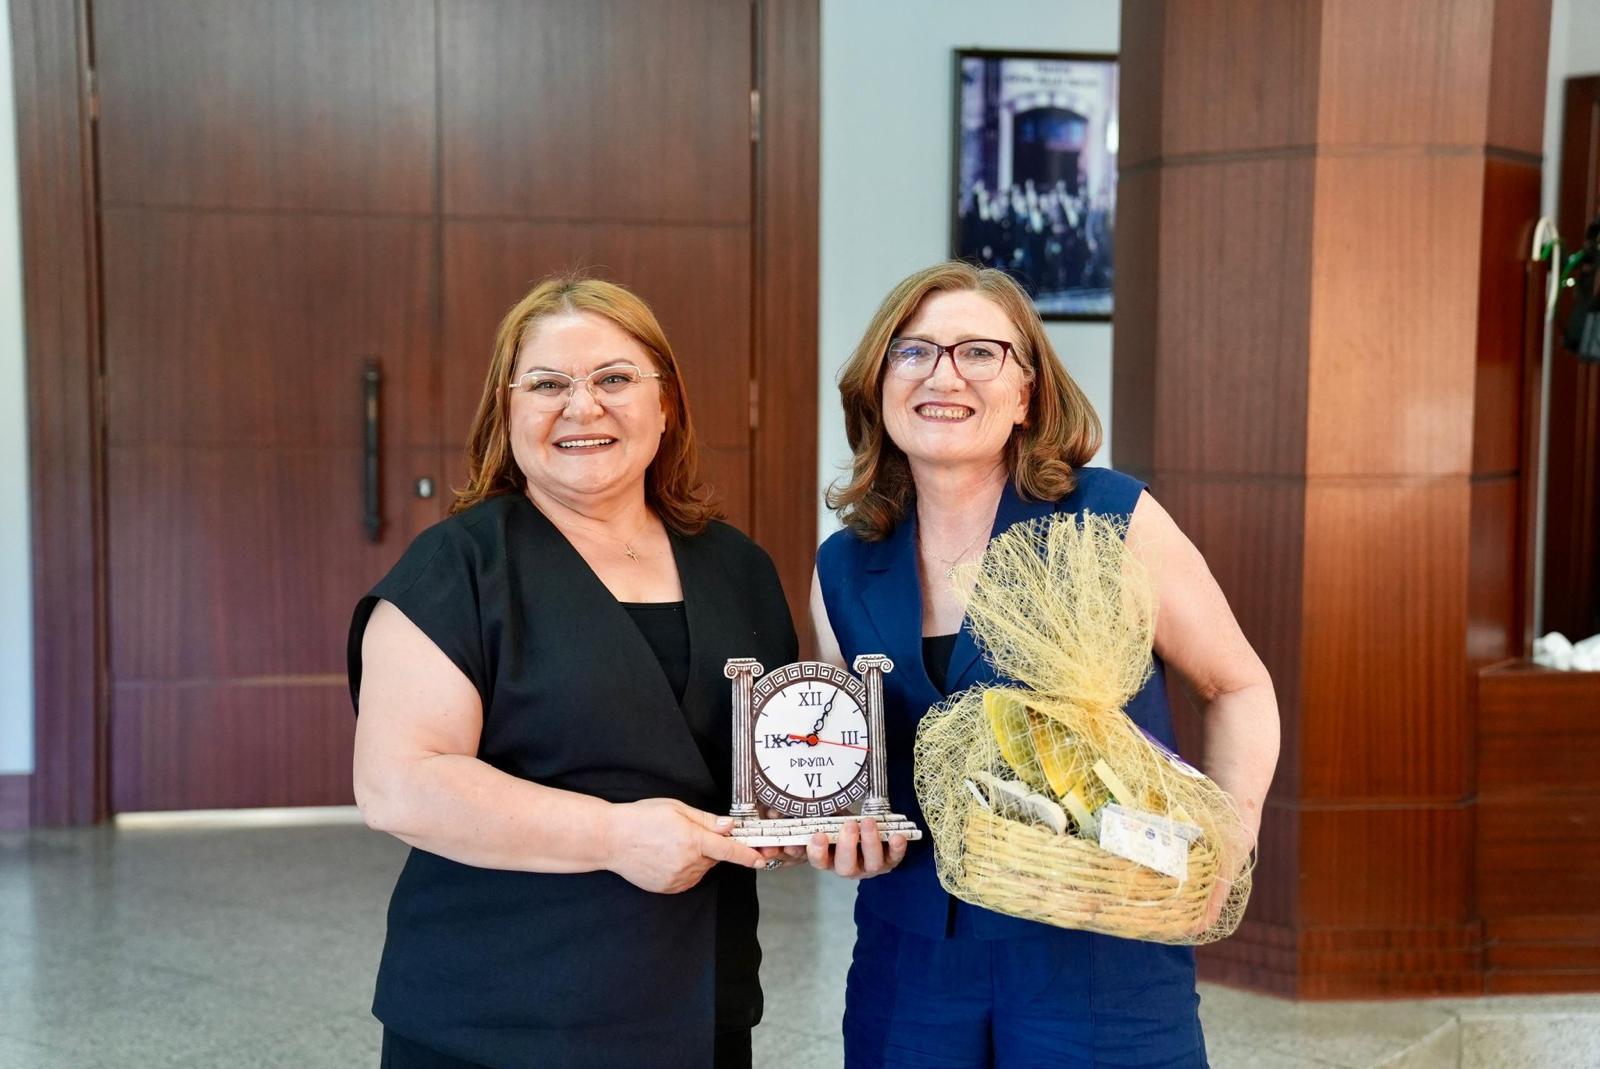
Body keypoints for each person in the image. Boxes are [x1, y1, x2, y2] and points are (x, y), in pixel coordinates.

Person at [805, 261, 1280, 1067]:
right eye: (912, 351)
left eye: (978, 352)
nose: (942, 375)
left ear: (1026, 392)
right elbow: (849, 765)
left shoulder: (1111, 518)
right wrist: (837, 824)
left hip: (1101, 951)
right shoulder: (843, 566)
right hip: (909, 963)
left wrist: (1228, 846)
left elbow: (1236, 685)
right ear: (878, 386)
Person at [348, 276, 797, 1069]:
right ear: (507, 410)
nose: (582, 407)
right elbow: (398, 785)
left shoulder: (739, 568)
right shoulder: (458, 567)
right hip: (496, 1015)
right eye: (548, 384)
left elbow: (780, 761)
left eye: (614, 378)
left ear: (666, 403)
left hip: (697, 1004)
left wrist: (804, 820)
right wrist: (615, 835)